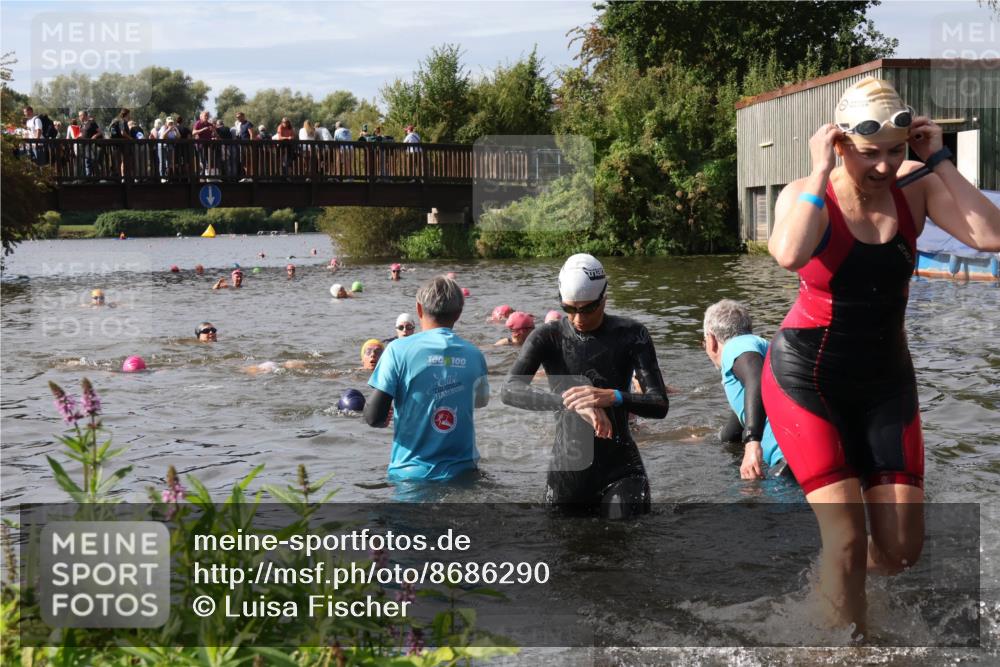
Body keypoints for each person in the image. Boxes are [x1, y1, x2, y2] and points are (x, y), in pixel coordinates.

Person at [762, 77, 1000, 635]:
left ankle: (833, 581)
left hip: (886, 382)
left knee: (900, 551)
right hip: (808, 377)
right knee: (845, 537)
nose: (886, 166)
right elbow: (788, 253)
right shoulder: (807, 189)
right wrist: (820, 171)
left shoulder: (916, 188)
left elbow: (990, 236)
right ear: (840, 143)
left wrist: (937, 158)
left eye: (897, 151)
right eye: (871, 153)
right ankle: (848, 647)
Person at [501, 254, 669, 519]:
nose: (578, 318)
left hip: (621, 470)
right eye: (569, 308)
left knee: (630, 550)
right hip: (568, 471)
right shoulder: (547, 337)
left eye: (587, 308)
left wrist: (612, 397)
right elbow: (509, 390)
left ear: (604, 297)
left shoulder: (632, 334)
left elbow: (659, 404)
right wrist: (572, 403)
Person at [364, 276, 490, 481]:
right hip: (464, 474)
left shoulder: (397, 350)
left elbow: (374, 418)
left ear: (419, 309)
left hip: (410, 476)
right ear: (459, 313)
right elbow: (481, 402)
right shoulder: (475, 355)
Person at [702, 299, 787, 480]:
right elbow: (733, 430)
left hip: (789, 459)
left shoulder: (737, 346)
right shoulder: (761, 347)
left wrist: (751, 443)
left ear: (711, 340)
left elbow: (754, 378)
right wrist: (702, 439)